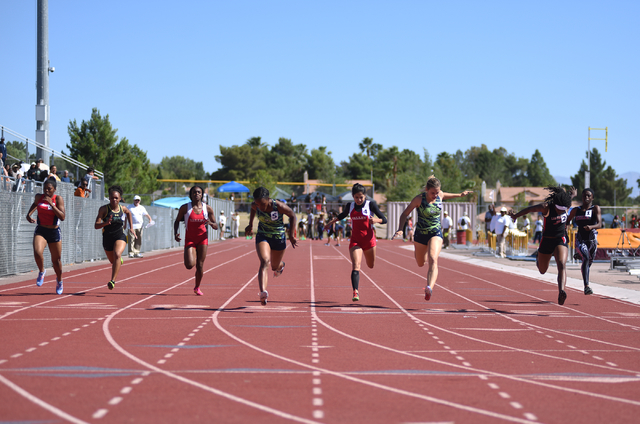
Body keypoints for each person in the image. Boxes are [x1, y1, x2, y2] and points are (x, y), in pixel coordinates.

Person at [393, 176, 471, 301]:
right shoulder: (419, 199)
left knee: (433, 258)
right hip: (420, 235)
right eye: (432, 193)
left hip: (435, 232)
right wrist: (400, 228)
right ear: (426, 190)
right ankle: (421, 256)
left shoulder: (439, 195)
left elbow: (446, 195)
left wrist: (460, 195)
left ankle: (429, 287)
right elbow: (405, 214)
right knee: (420, 263)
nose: (435, 195)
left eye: (437, 192)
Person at [510, 185, 575, 305]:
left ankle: (561, 291)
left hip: (560, 239)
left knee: (561, 264)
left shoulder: (566, 203)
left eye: (564, 210)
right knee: (542, 270)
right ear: (555, 204)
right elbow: (529, 209)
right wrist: (515, 216)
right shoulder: (546, 207)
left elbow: (569, 199)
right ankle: (538, 259)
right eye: (560, 210)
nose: (562, 212)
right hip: (546, 240)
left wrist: (573, 195)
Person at [325, 183, 387, 302]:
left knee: (371, 265)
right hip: (355, 240)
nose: (359, 200)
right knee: (355, 265)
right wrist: (330, 223)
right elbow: (342, 215)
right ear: (353, 196)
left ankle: (356, 288)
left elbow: (384, 220)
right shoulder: (350, 206)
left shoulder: (371, 205)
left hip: (369, 241)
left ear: (365, 196)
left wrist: (376, 220)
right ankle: (355, 291)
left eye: (361, 197)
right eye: (356, 197)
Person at [245, 187, 298, 305]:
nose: (260, 207)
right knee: (264, 261)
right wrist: (250, 225)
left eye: (262, 204)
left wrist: (292, 235)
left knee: (274, 266)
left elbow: (293, 215)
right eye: (258, 204)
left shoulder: (278, 206)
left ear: (268, 199)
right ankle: (263, 292)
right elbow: (253, 209)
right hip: (263, 235)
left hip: (278, 238)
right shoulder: (255, 205)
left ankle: (281, 265)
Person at [174, 186, 218, 296]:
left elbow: (216, 225)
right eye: (194, 192)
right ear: (191, 194)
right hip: (190, 239)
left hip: (203, 239)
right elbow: (177, 221)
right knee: (189, 265)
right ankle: (190, 257)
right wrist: (176, 232)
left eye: (199, 192)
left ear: (202, 194)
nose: (196, 194)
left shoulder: (207, 208)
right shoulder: (185, 208)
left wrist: (212, 224)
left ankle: (197, 287)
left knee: (200, 265)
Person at [26, 178, 66, 295]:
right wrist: (28, 215)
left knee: (56, 260)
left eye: (49, 189)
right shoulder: (39, 197)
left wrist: (52, 205)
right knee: (37, 252)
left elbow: (62, 217)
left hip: (54, 231)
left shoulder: (58, 199)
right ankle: (42, 271)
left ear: (54, 189)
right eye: (45, 188)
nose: (47, 191)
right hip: (41, 229)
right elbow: (34, 204)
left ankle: (59, 280)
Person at [95, 185, 136, 291]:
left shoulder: (123, 209)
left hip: (120, 236)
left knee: (117, 254)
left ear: (120, 198)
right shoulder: (104, 209)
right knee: (113, 261)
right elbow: (96, 225)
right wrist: (106, 223)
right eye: (112, 197)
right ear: (109, 197)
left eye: (116, 198)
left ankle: (112, 281)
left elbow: (129, 213)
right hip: (107, 238)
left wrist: (131, 228)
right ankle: (118, 260)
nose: (114, 200)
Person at [567, 188, 602, 295]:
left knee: (588, 263)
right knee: (586, 259)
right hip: (580, 239)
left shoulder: (595, 208)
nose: (586, 198)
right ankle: (586, 286)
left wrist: (591, 227)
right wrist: (566, 231)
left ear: (592, 198)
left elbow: (600, 224)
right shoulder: (575, 210)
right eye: (584, 196)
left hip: (592, 241)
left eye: (588, 196)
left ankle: (580, 255)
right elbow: (567, 221)